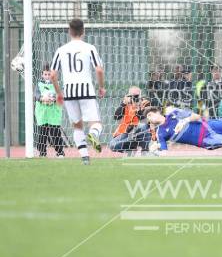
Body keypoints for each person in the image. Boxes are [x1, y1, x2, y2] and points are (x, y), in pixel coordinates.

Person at [50, 18, 105, 165]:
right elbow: (99, 70)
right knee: (96, 123)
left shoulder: (61, 50)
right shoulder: (89, 48)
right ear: (83, 31)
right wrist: (101, 87)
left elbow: (53, 74)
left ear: (69, 31)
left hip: (69, 92)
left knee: (77, 125)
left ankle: (85, 158)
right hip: (86, 90)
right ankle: (93, 135)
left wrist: (58, 93)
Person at [145, 107, 222, 152]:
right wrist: (156, 149)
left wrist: (185, 120)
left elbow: (197, 116)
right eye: (148, 119)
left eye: (150, 114)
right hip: (206, 140)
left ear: (157, 112)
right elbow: (164, 153)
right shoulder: (160, 132)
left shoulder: (173, 113)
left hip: (208, 125)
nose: (150, 119)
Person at [109, 86, 152, 155]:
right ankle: (131, 146)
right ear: (128, 95)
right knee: (112, 145)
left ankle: (145, 151)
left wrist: (137, 108)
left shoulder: (145, 102)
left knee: (143, 126)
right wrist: (123, 104)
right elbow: (116, 117)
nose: (134, 98)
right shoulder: (125, 103)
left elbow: (144, 120)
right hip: (126, 131)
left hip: (140, 131)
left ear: (140, 95)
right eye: (132, 96)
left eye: (136, 96)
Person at [34, 64, 65, 157]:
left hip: (54, 113)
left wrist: (54, 98)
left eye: (49, 74)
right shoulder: (39, 84)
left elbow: (61, 94)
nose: (47, 76)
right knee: (42, 134)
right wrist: (42, 98)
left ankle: (60, 152)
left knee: (55, 133)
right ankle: (42, 153)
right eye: (45, 74)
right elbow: (36, 95)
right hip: (42, 113)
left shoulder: (57, 84)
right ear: (42, 75)